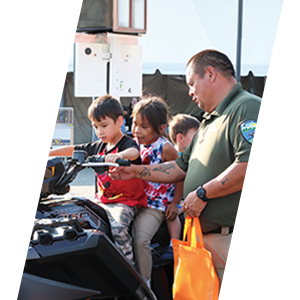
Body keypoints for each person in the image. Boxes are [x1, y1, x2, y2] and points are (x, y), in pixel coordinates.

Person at [109, 49, 261, 286]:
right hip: (205, 239)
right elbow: (180, 167)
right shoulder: (209, 119)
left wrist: (202, 193)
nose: (190, 92)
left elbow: (249, 165)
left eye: (192, 83)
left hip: (228, 237)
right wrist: (136, 171)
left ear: (210, 74)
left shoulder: (247, 108)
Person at [49, 95, 147, 268]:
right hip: (103, 200)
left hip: (125, 202)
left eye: (104, 125)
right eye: (95, 126)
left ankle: (129, 268)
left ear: (119, 121)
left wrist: (119, 156)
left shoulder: (126, 144)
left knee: (118, 228)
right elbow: (74, 149)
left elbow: (134, 153)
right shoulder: (98, 146)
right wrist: (49, 153)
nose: (99, 131)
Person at [130, 96, 183, 286]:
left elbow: (180, 174)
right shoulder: (133, 145)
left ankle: (146, 285)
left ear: (160, 128)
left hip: (155, 205)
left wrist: (174, 203)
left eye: (144, 126)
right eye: (134, 124)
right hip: (134, 201)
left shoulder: (165, 148)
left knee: (140, 239)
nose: (137, 130)